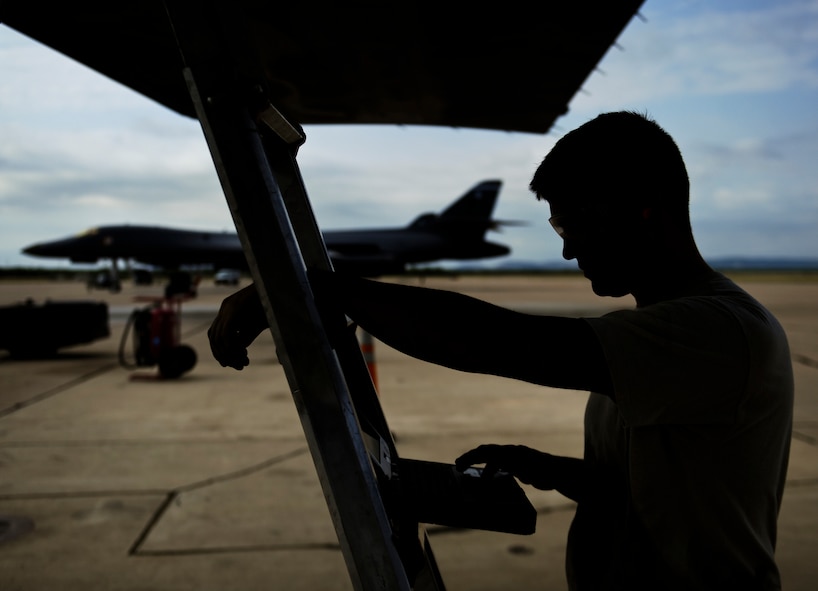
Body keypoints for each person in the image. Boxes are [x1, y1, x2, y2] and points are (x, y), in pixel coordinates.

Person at [208, 111, 793, 590]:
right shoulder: (662, 333)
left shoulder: (719, 330)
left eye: (577, 228)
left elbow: (506, 343)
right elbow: (650, 491)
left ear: (646, 207)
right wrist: (548, 468)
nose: (569, 254)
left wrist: (314, 290)